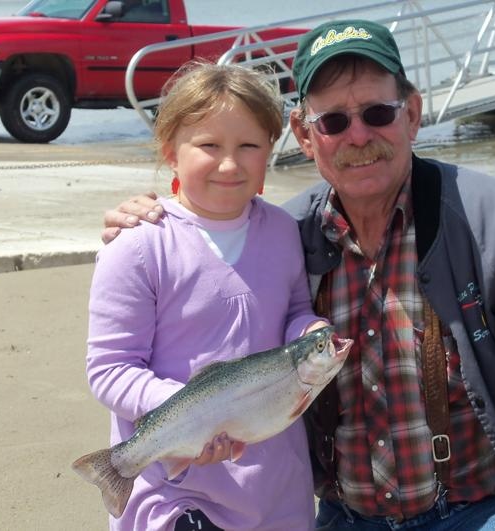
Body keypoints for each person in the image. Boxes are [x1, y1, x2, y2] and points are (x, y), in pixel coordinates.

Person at [102, 20, 495, 530]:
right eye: (334, 121)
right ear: (304, 135)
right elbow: (207, 310)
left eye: (378, 113)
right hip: (343, 515)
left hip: (483, 509)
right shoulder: (286, 238)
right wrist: (150, 217)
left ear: (412, 114)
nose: (358, 136)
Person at [86, 61, 327, 531]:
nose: (230, 163)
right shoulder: (139, 244)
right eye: (209, 145)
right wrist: (193, 413)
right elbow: (109, 369)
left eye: (249, 146)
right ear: (170, 152)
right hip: (175, 495)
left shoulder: (282, 230)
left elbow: (294, 310)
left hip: (277, 489)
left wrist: (310, 333)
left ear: (269, 153)